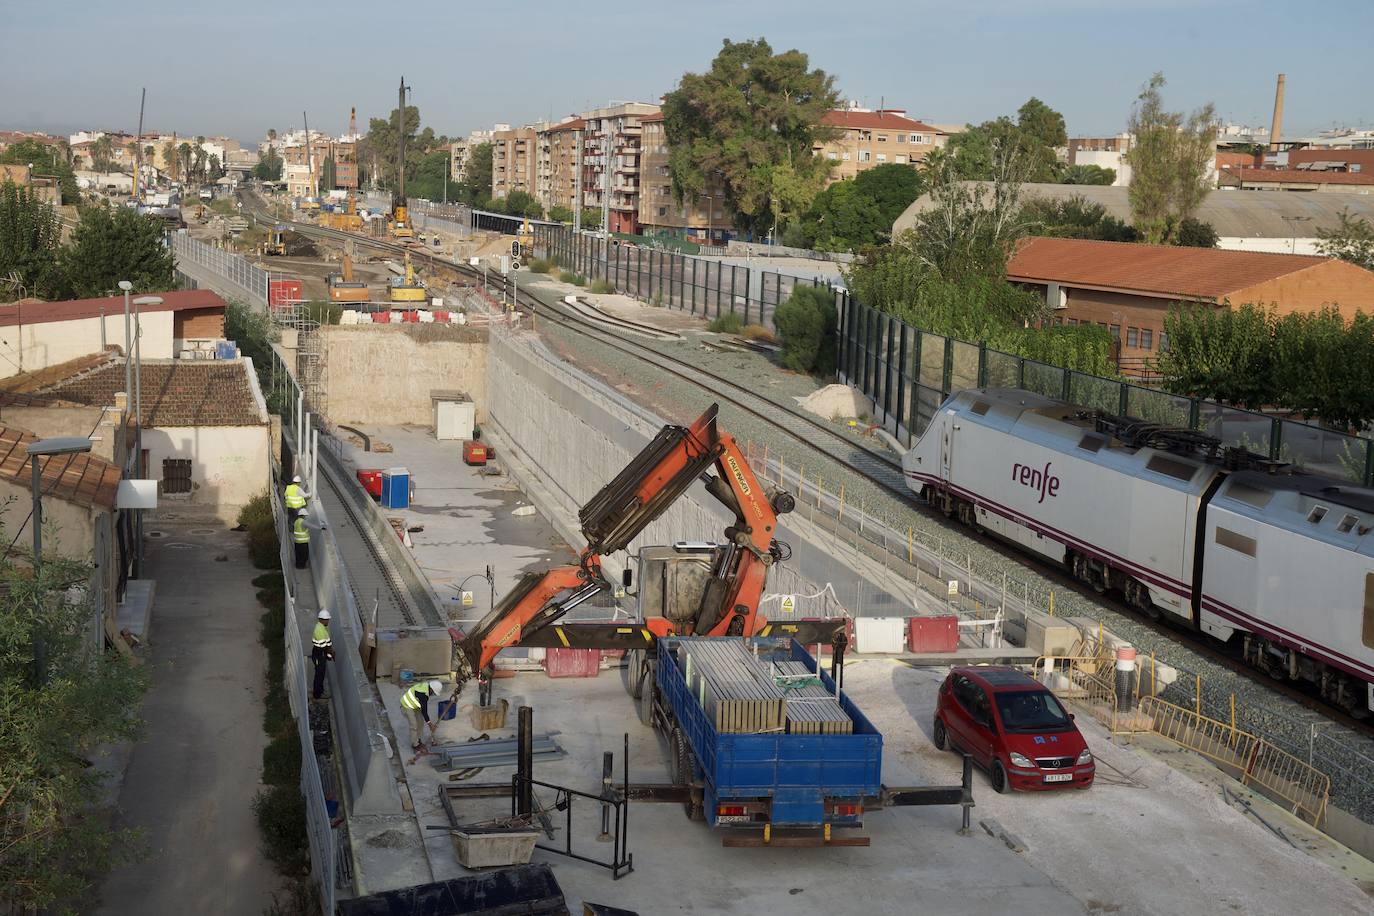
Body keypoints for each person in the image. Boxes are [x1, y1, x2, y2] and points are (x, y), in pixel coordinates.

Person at [400, 679, 445, 753]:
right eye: (433, 693)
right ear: (431, 689)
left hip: (415, 704)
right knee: (414, 725)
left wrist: (429, 723)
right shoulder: (423, 694)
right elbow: (424, 711)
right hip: (406, 705)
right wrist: (430, 724)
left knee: (420, 722)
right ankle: (415, 745)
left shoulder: (426, 687)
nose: (433, 694)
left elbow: (423, 709)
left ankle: (418, 740)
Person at [312, 609, 334, 700]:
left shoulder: (321, 627)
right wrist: (330, 653)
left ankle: (320, 691)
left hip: (321, 654)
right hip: (319, 654)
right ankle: (317, 694)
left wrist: (329, 652)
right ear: (321, 619)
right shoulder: (319, 630)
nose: (328, 621)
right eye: (327, 619)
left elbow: (327, 644)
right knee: (319, 674)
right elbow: (323, 647)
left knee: (321, 673)